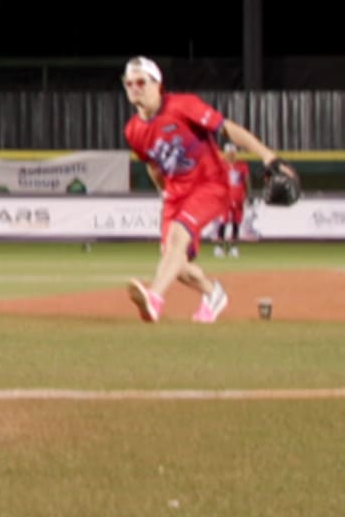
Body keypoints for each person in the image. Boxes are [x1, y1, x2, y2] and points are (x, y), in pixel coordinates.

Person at [120, 57, 289, 323]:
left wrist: (269, 157)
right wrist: (164, 194)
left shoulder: (183, 106)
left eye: (141, 81)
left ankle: (154, 298)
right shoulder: (132, 131)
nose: (134, 87)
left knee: (177, 240)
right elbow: (153, 166)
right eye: (129, 83)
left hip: (209, 185)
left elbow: (229, 130)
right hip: (175, 194)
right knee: (174, 262)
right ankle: (213, 293)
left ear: (157, 84)